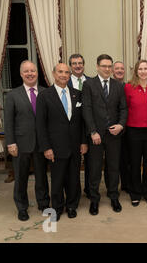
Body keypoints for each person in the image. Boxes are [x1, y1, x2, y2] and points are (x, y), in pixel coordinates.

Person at [36, 63, 88, 220]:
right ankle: (57, 208)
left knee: (74, 179)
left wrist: (83, 142)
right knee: (57, 179)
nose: (64, 75)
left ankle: (72, 206)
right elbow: (40, 124)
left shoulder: (77, 94)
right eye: (60, 72)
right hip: (55, 147)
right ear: (53, 74)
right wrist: (46, 147)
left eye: (66, 72)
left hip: (75, 145)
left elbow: (82, 122)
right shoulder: (44, 95)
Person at [82, 54, 127, 215]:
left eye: (110, 66)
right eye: (104, 66)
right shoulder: (88, 84)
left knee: (113, 168)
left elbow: (123, 108)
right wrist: (93, 131)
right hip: (96, 135)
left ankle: (114, 196)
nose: (107, 69)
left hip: (114, 135)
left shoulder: (118, 86)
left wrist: (121, 125)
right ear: (97, 66)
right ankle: (94, 200)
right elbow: (86, 109)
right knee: (94, 169)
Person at [4, 60, 50, 221]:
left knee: (42, 176)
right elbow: (8, 122)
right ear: (21, 74)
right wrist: (10, 143)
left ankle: (43, 203)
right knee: (21, 177)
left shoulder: (46, 92)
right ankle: (22, 207)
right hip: (21, 144)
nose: (30, 74)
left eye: (33, 71)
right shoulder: (13, 95)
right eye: (26, 71)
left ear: (37, 73)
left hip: (41, 143)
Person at [124, 60, 147, 206]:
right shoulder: (128, 87)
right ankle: (135, 192)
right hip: (133, 131)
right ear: (136, 71)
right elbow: (124, 108)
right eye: (140, 69)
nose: (143, 71)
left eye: (145, 68)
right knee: (135, 163)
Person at [67, 54, 92, 199]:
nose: (78, 66)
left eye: (80, 63)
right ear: (71, 66)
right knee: (74, 163)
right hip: (73, 129)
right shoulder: (65, 81)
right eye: (75, 63)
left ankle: (89, 189)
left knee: (91, 163)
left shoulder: (91, 81)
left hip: (90, 128)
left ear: (84, 64)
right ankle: (74, 191)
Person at [112, 61, 131, 195]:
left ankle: (126, 184)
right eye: (117, 68)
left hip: (127, 127)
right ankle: (112, 187)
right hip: (112, 128)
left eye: (122, 68)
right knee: (113, 160)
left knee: (126, 158)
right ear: (113, 71)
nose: (119, 70)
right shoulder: (108, 86)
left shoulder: (129, 86)